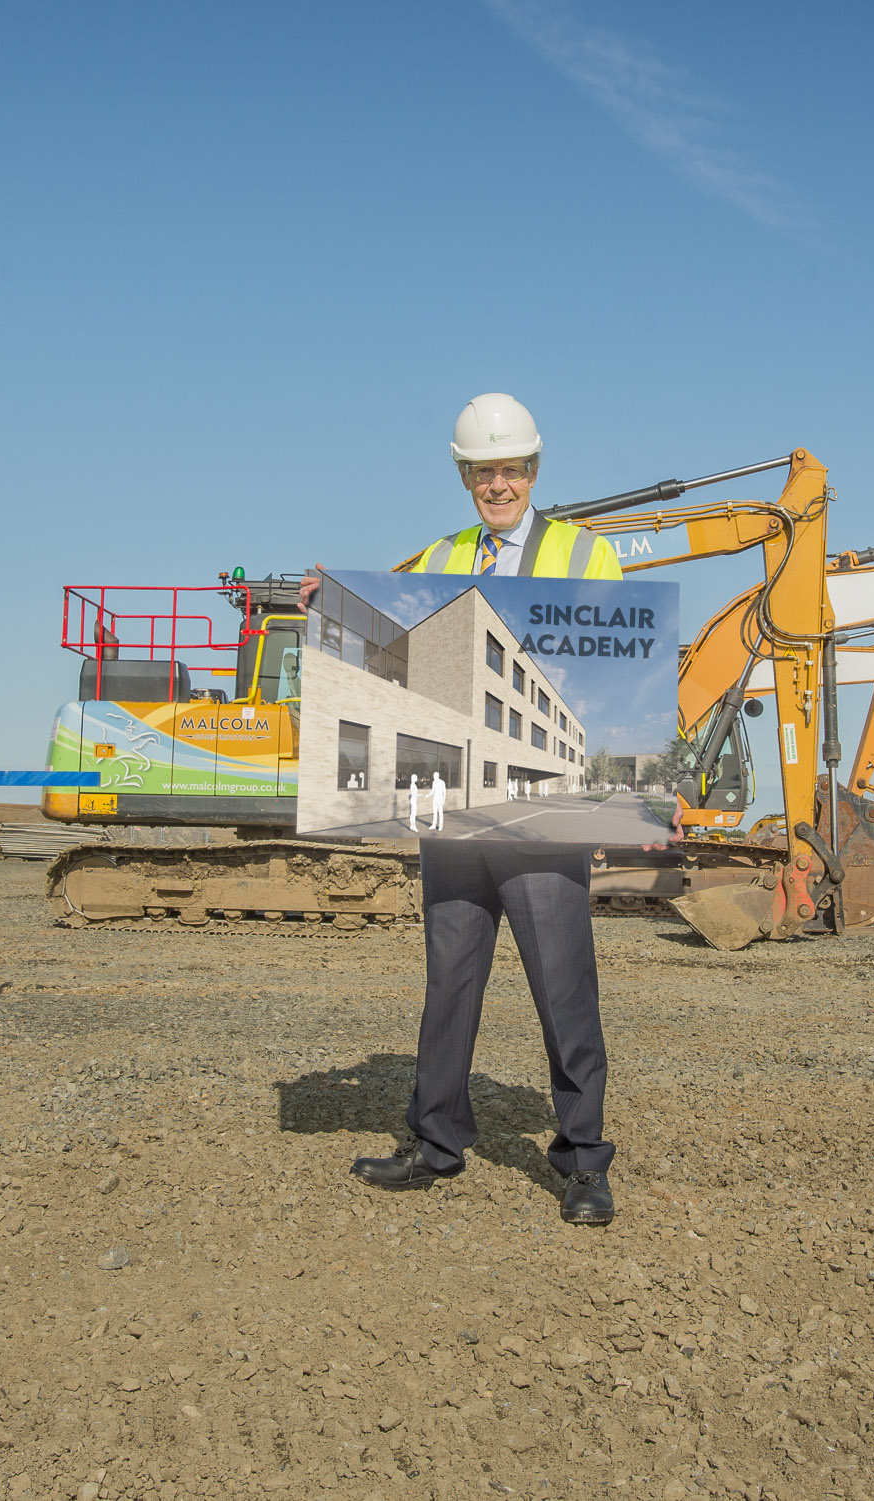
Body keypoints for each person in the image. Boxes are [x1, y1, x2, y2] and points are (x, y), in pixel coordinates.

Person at [305, 394, 626, 1226]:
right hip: (452, 805)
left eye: (512, 468)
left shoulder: (586, 555)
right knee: (449, 975)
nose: (499, 483)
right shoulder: (441, 555)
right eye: (484, 470)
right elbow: (387, 627)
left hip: (540, 813)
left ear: (534, 471)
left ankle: (584, 1161)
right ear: (464, 475)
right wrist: (328, 599)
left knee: (563, 983)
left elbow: (612, 651)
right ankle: (435, 1140)